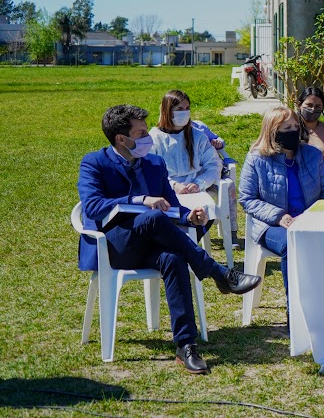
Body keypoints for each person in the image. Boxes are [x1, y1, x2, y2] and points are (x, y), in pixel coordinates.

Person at [77, 105, 261, 374]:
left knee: (174, 258)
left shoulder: (154, 163)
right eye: (141, 133)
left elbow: (172, 206)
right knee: (153, 217)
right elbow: (93, 207)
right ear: (121, 139)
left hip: (152, 244)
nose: (147, 138)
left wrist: (189, 217)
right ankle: (219, 273)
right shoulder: (94, 162)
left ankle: (186, 345)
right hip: (114, 247)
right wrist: (140, 200)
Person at [238, 106, 324, 307]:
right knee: (291, 244)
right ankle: (295, 309)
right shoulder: (257, 158)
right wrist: (279, 216)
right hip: (272, 225)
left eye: (295, 126)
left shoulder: (313, 155)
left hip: (310, 220)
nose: (293, 131)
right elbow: (247, 198)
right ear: (272, 131)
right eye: (286, 128)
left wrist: (311, 216)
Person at [150, 90, 239, 248]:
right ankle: (183, 248)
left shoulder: (197, 136)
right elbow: (151, 170)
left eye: (187, 108)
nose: (184, 112)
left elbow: (213, 164)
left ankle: (185, 247)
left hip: (195, 189)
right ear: (167, 110)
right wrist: (173, 185)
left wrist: (199, 183)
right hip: (166, 190)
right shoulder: (155, 138)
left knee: (207, 211)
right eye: (179, 109)